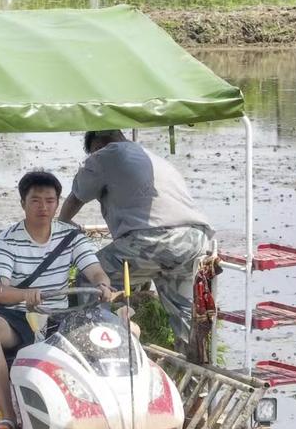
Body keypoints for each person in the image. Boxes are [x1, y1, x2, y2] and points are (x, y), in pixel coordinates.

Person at [0, 170, 114, 429]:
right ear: (23, 203)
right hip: (19, 317)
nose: (43, 207)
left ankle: (109, 416)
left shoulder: (71, 237)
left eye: (49, 201)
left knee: (126, 327)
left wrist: (102, 284)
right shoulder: (7, 240)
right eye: (35, 201)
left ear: (58, 203)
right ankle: (7, 416)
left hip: (60, 317)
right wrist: (25, 294)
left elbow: (94, 270)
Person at [58, 129, 213, 354]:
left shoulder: (105, 154)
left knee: (89, 277)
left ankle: (91, 347)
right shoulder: (151, 158)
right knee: (184, 313)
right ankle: (193, 370)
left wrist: (61, 223)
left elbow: (77, 196)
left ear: (97, 146)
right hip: (194, 240)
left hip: (154, 240)